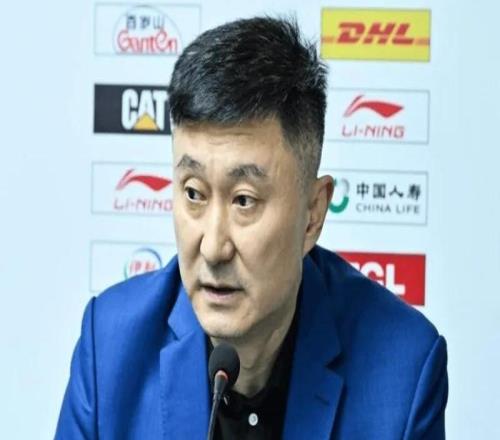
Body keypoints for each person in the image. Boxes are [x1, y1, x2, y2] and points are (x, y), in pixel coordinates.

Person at [55, 17, 448, 439]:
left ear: (312, 214)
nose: (213, 248)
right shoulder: (110, 349)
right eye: (194, 193)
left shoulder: (402, 371)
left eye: (244, 200)